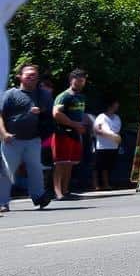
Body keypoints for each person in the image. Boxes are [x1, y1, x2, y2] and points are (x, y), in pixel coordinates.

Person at [0, 64, 52, 212]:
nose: (31, 76)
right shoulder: (10, 94)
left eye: (34, 74)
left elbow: (48, 116)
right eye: (28, 74)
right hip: (12, 139)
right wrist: (4, 134)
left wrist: (40, 112)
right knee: (6, 171)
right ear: (19, 77)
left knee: (36, 169)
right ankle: (2, 202)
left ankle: (39, 197)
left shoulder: (44, 95)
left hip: (33, 139)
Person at [51, 68, 88, 201]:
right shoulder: (64, 96)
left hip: (75, 134)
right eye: (79, 79)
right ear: (72, 80)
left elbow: (80, 114)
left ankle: (66, 190)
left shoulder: (81, 96)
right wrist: (74, 124)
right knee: (60, 163)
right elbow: (56, 113)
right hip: (62, 133)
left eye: (83, 80)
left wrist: (82, 125)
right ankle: (57, 192)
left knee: (70, 163)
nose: (81, 82)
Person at [92, 96, 122, 191]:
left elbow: (117, 130)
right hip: (102, 146)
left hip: (113, 146)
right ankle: (96, 185)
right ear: (111, 105)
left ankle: (106, 184)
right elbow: (97, 130)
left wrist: (115, 137)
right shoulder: (101, 117)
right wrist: (110, 135)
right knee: (98, 166)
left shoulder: (117, 117)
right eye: (116, 103)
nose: (118, 105)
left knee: (108, 166)